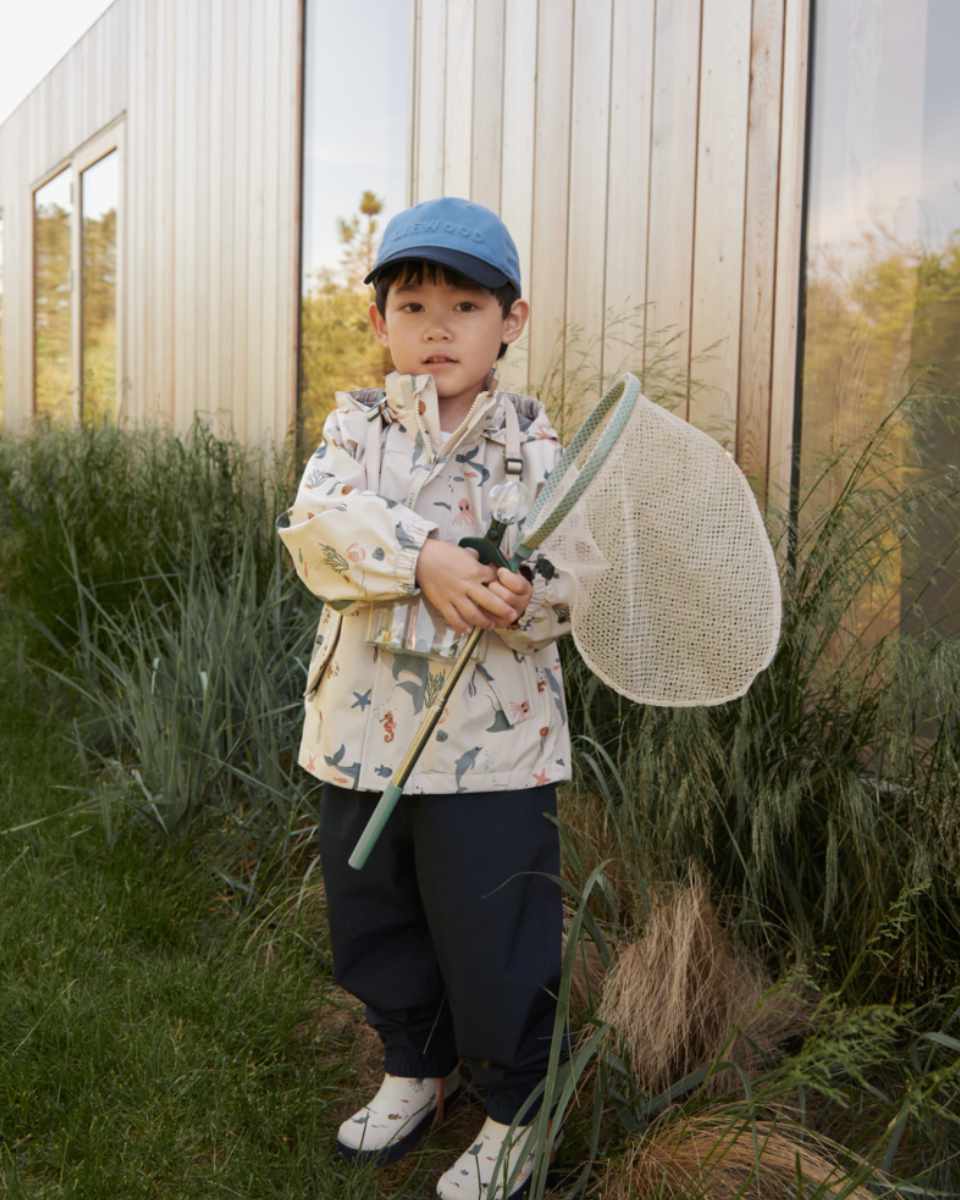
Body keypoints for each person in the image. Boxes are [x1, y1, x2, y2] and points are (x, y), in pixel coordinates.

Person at [277, 196, 575, 1200]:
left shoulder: (535, 444)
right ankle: (417, 1064)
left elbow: (577, 572)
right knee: (377, 912)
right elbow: (319, 529)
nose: (437, 328)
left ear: (511, 321)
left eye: (465, 306)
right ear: (380, 322)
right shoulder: (355, 428)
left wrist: (528, 595)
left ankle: (518, 1105)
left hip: (493, 751)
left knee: (495, 929)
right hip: (361, 736)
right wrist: (425, 560)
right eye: (412, 306)